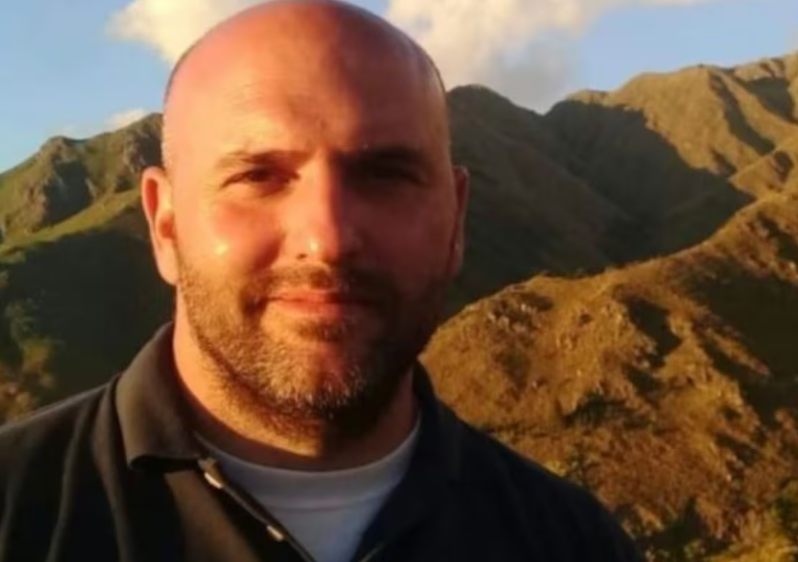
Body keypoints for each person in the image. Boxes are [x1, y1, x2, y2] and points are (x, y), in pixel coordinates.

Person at [0, 1, 643, 561]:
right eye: (258, 176)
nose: (328, 238)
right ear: (165, 224)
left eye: (385, 174)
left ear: (456, 219)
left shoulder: (573, 543)